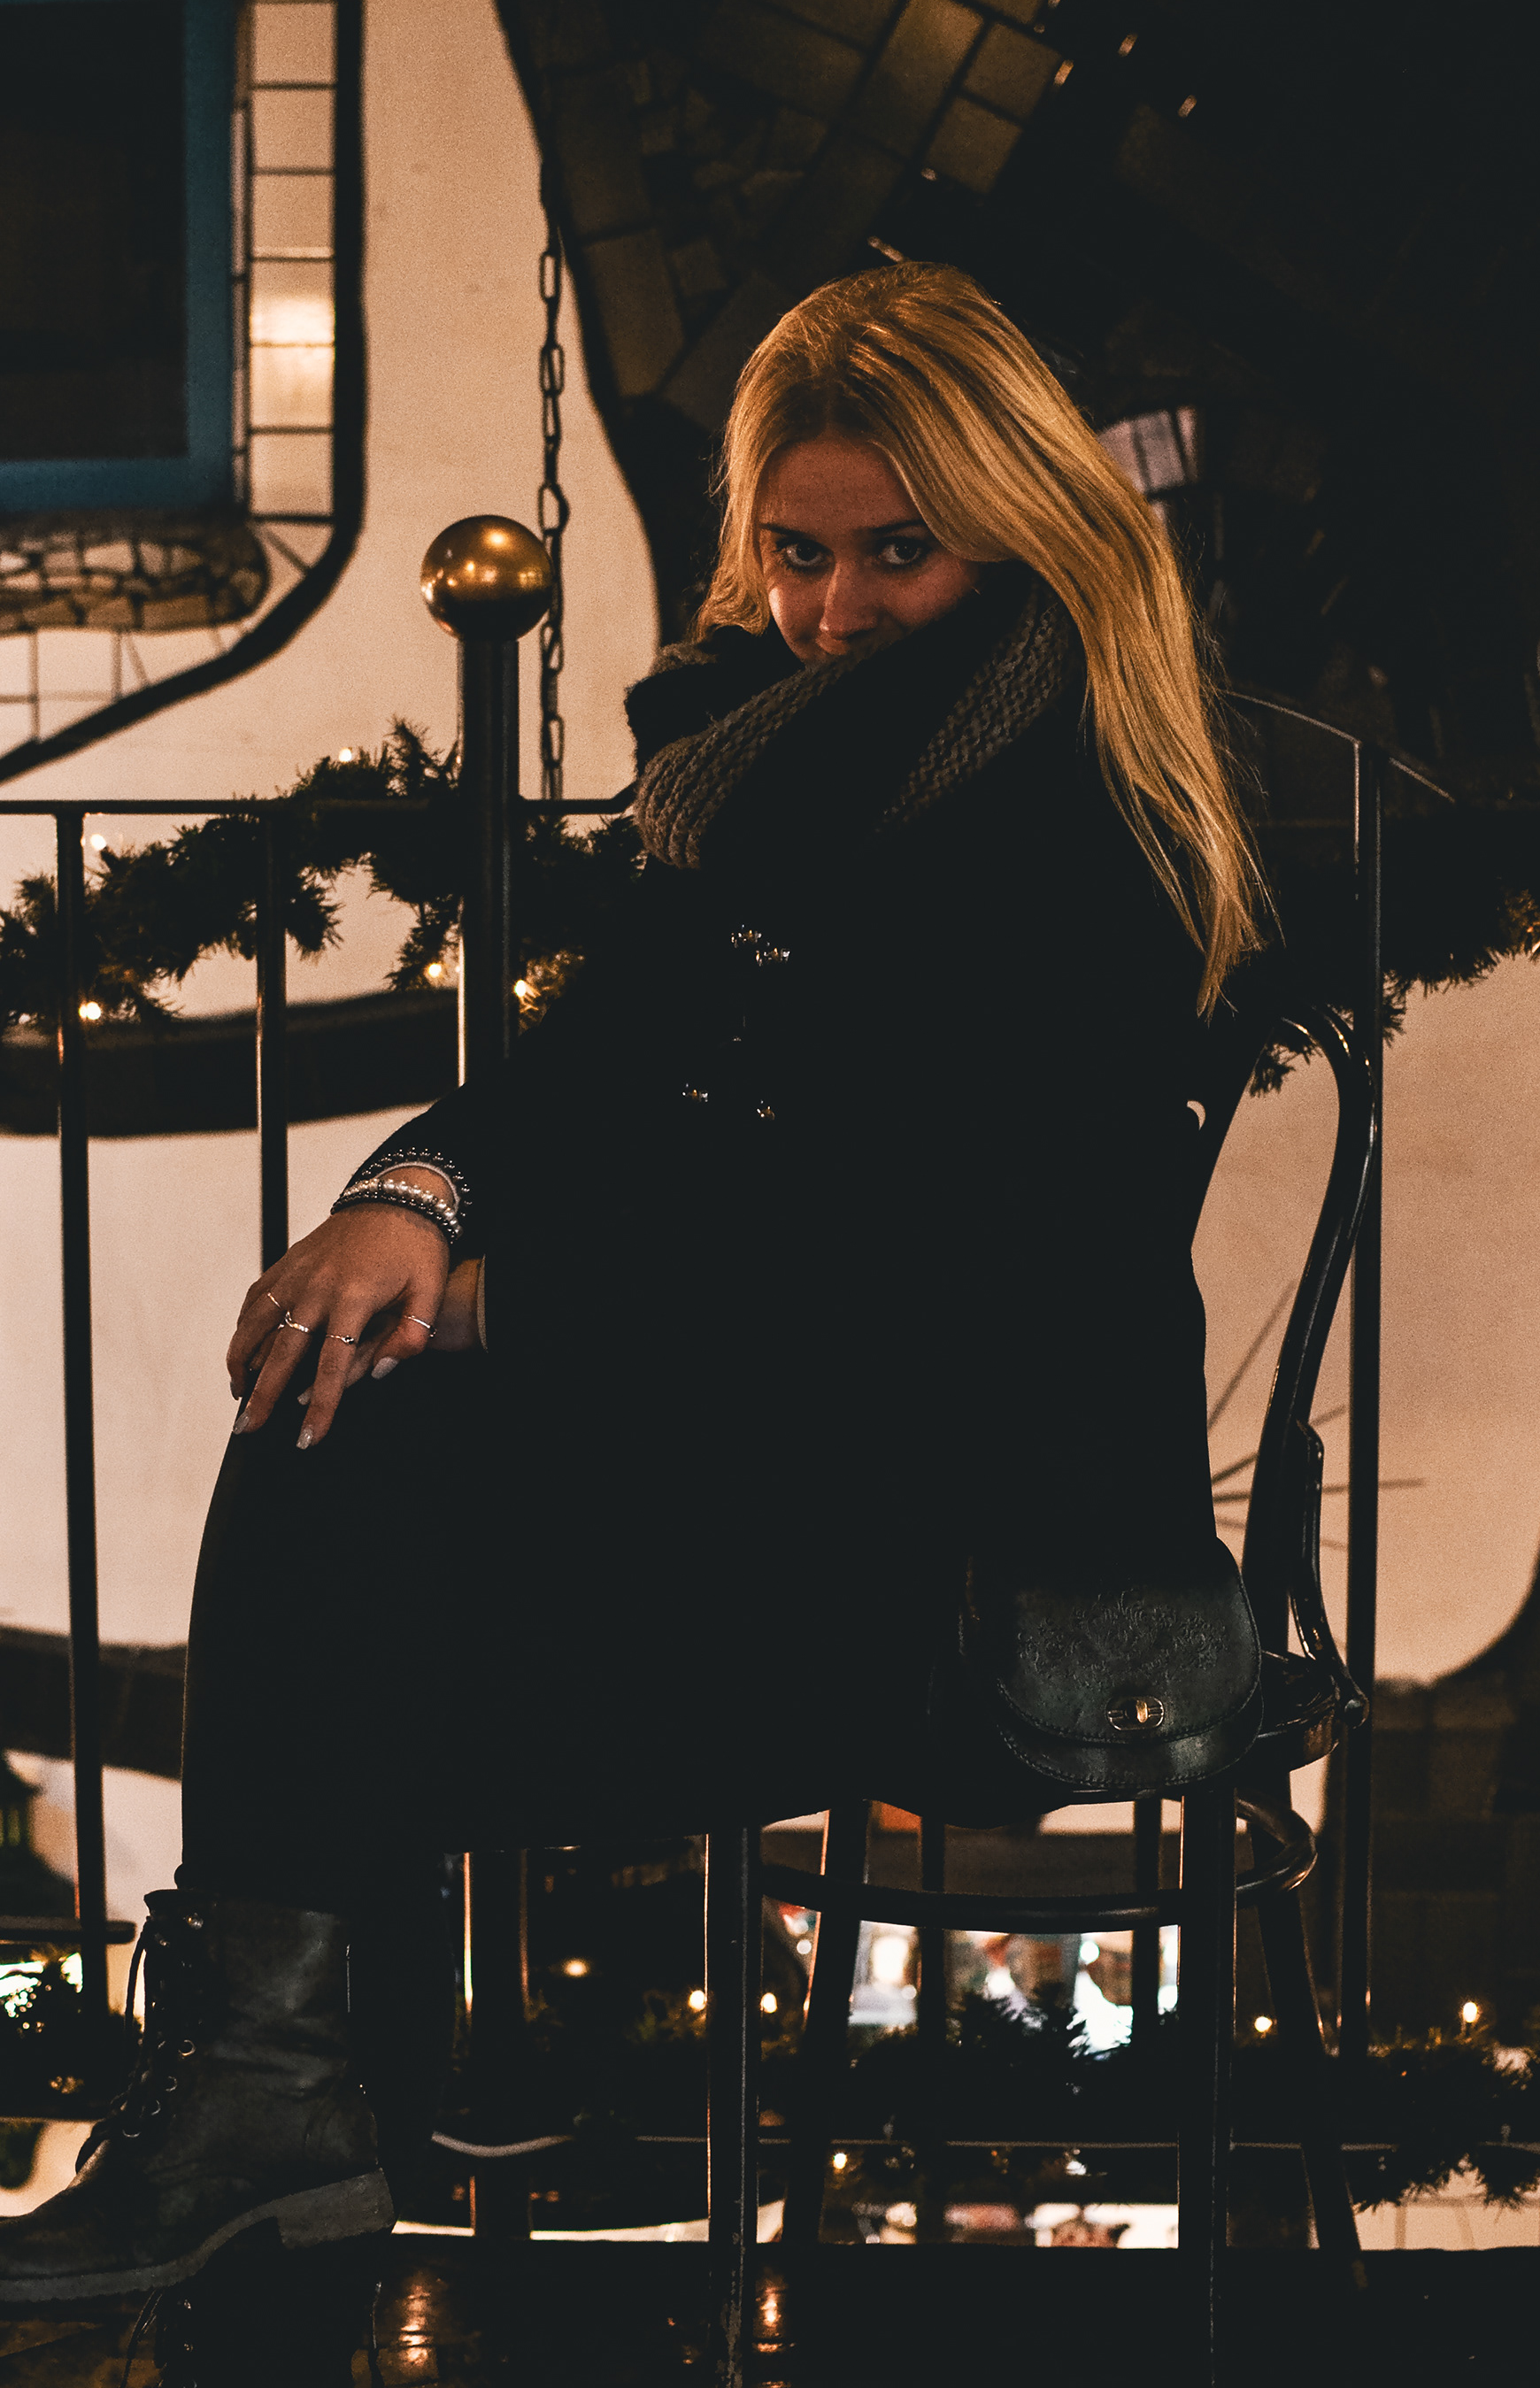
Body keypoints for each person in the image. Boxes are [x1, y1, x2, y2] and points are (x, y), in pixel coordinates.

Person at [0, 262, 1263, 2300]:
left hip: (967, 1558)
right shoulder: (778, 770)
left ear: (1021, 529)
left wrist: (509, 1304)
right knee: (340, 1410)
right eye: (797, 552)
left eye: (898, 553)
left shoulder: (1068, 825)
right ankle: (274, 2096)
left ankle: (279, 2103)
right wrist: (416, 1197)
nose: (835, 608)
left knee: (359, 1540)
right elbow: (597, 1068)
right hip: (780, 1455)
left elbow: (910, 1270)